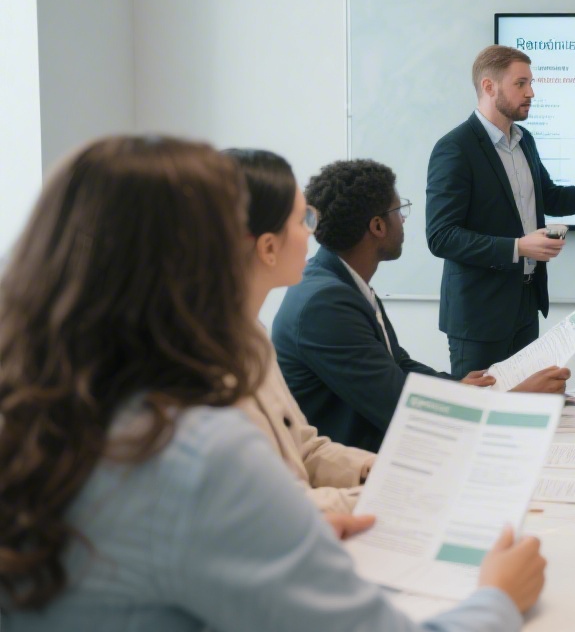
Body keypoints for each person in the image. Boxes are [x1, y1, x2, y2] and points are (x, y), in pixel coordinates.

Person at [0, 135, 546, 631]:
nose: (309, 229)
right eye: (297, 218)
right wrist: (498, 596)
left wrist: (304, 517)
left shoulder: (49, 403)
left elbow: (298, 453)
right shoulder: (193, 451)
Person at [274, 158, 568, 453]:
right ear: (377, 226)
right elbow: (401, 408)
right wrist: (511, 401)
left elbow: (398, 363)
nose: (403, 220)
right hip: (353, 471)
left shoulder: (343, 282)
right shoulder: (324, 305)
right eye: (398, 210)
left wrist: (459, 387)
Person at [425, 44, 575, 377]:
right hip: (478, 316)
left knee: (523, 412)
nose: (531, 92)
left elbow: (552, 198)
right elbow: (441, 237)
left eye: (531, 83)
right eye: (520, 83)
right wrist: (518, 247)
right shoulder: (455, 148)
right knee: (483, 417)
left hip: (525, 303)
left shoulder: (524, 140)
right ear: (489, 87)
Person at [225, 148, 381, 513]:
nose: (313, 232)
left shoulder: (252, 333)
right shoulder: (209, 361)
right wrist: (390, 496)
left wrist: (378, 470)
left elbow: (304, 447)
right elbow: (274, 509)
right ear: (267, 247)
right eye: (303, 220)